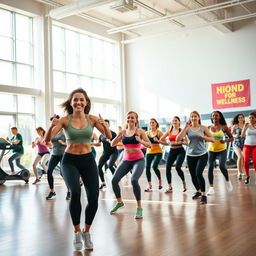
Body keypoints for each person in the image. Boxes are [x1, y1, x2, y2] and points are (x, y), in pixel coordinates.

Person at [44, 88, 111, 251]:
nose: (79, 102)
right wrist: (50, 126)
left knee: (94, 197)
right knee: (75, 192)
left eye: (82, 99)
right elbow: (47, 140)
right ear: (71, 102)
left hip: (88, 160)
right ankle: (76, 232)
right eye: (76, 100)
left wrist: (103, 125)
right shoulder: (65, 120)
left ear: (86, 102)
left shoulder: (93, 119)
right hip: (70, 161)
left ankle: (86, 232)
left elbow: (108, 137)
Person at [110, 111, 151, 219]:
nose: (130, 119)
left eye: (132, 118)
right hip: (126, 160)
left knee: (133, 180)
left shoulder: (140, 131)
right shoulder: (123, 132)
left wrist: (141, 140)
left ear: (136, 120)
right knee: (114, 180)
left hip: (139, 159)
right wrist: (118, 135)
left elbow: (150, 145)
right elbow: (112, 144)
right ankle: (119, 202)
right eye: (128, 118)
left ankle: (139, 207)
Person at [176, 111, 214, 204]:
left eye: (195, 116)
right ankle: (198, 191)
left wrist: (203, 137)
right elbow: (178, 139)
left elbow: (212, 139)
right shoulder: (188, 129)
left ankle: (204, 195)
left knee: (198, 173)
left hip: (202, 154)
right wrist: (185, 128)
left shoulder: (203, 128)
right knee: (193, 175)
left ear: (198, 117)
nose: (193, 118)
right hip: (190, 155)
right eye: (192, 116)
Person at [207, 111, 234, 195]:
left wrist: (225, 140)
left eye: (216, 115)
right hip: (211, 150)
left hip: (222, 150)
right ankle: (211, 188)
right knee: (210, 167)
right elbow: (205, 137)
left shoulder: (224, 127)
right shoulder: (208, 127)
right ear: (212, 117)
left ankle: (227, 180)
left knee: (222, 166)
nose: (214, 117)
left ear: (219, 117)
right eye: (213, 116)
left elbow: (232, 138)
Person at [45, 115, 71, 200]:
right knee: (49, 171)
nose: (54, 122)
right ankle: (52, 191)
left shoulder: (64, 130)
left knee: (63, 173)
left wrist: (63, 143)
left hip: (64, 154)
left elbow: (71, 143)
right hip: (54, 154)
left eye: (55, 121)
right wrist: (50, 146)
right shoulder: (52, 132)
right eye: (52, 121)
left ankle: (69, 191)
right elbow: (48, 142)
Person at [160, 116, 187, 193]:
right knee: (168, 167)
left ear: (179, 122)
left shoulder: (181, 131)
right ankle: (170, 187)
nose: (174, 122)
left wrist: (181, 142)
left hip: (180, 151)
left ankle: (184, 183)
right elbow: (161, 139)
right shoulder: (169, 131)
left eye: (176, 120)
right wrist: (167, 143)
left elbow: (187, 143)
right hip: (172, 151)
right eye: (173, 121)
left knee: (178, 167)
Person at [94, 119, 118, 190]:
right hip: (105, 153)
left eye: (107, 124)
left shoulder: (113, 133)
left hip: (113, 152)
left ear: (109, 125)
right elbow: (99, 144)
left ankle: (115, 180)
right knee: (99, 166)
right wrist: (92, 144)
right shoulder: (101, 135)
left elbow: (116, 143)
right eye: (104, 124)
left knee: (110, 165)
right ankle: (103, 183)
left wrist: (110, 141)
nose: (105, 125)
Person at [144, 118, 163, 192]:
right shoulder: (146, 133)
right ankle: (149, 185)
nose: (152, 124)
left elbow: (164, 142)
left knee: (154, 167)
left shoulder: (159, 132)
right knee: (147, 167)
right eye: (150, 123)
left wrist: (158, 141)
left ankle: (160, 181)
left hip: (158, 151)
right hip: (149, 152)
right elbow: (145, 143)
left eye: (153, 122)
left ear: (156, 124)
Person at [241, 112, 256, 184]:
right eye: (249, 118)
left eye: (252, 118)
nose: (250, 119)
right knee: (246, 161)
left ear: (255, 118)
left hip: (255, 146)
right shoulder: (246, 125)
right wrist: (244, 128)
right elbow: (242, 135)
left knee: (255, 161)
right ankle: (247, 177)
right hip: (247, 145)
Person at [231, 114, 245, 179]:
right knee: (240, 156)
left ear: (244, 119)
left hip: (245, 143)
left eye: (241, 117)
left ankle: (241, 171)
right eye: (239, 118)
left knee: (243, 158)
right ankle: (239, 172)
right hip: (237, 143)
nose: (240, 119)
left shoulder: (246, 126)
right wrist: (235, 135)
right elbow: (231, 134)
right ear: (237, 119)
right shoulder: (235, 126)